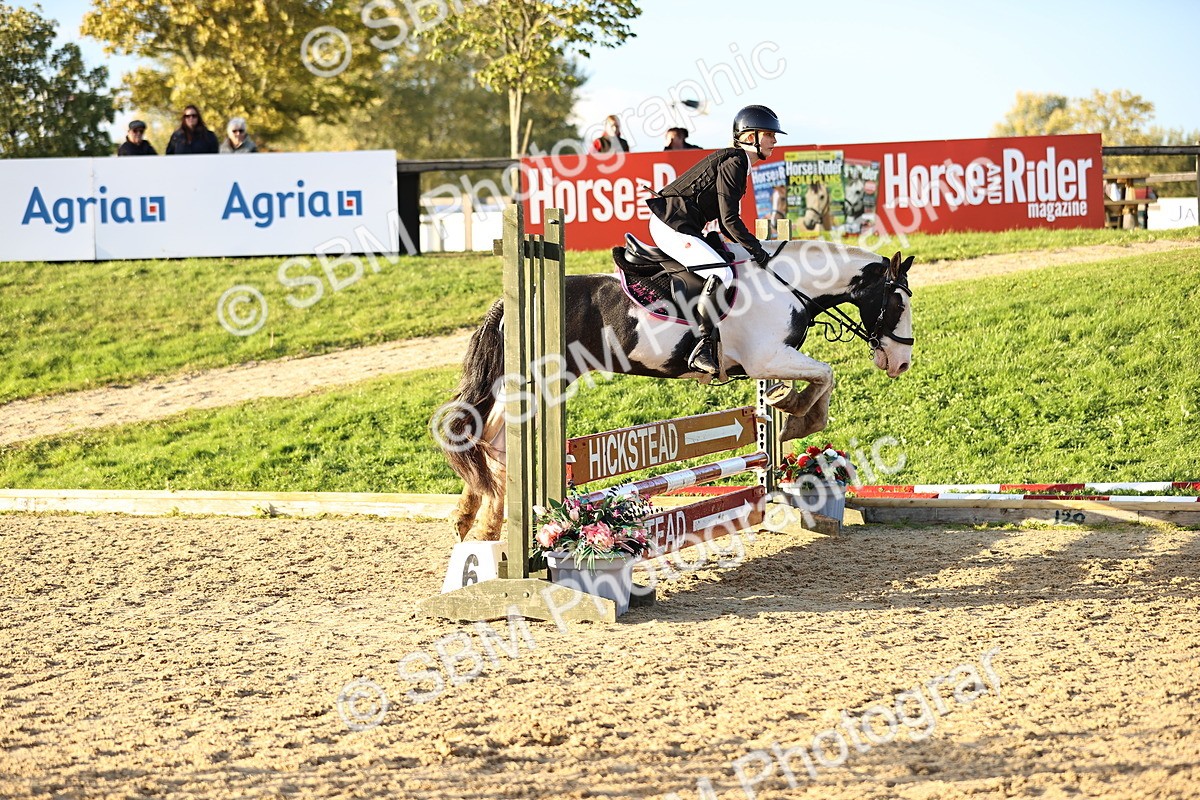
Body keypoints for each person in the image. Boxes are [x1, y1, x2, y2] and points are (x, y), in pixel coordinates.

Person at [644, 104, 785, 375]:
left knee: (731, 262)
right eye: (769, 134)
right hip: (671, 224)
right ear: (749, 136)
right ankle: (701, 347)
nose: (774, 140)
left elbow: (726, 224)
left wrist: (753, 249)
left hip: (680, 224)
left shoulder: (739, 163)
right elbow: (729, 221)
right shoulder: (735, 162)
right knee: (722, 272)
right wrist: (758, 251)